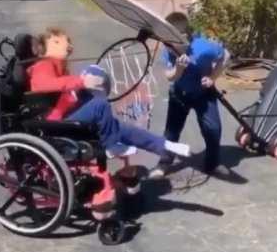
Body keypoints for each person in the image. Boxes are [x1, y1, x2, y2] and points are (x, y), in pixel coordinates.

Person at [27, 27, 191, 159]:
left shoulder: (59, 67)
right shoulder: (44, 64)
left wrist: (83, 82)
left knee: (120, 127)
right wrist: (82, 82)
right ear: (51, 43)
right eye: (62, 41)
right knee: (100, 104)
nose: (69, 45)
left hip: (67, 113)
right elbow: (42, 84)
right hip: (56, 121)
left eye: (69, 42)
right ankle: (111, 146)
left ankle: (164, 145)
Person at [149, 12, 230, 178]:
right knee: (171, 132)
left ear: (184, 36)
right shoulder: (168, 48)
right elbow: (169, 76)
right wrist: (179, 69)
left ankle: (212, 164)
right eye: (166, 39)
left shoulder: (204, 47)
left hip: (204, 94)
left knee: (213, 129)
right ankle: (164, 163)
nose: (168, 43)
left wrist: (213, 77)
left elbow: (225, 56)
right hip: (179, 94)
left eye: (171, 39)